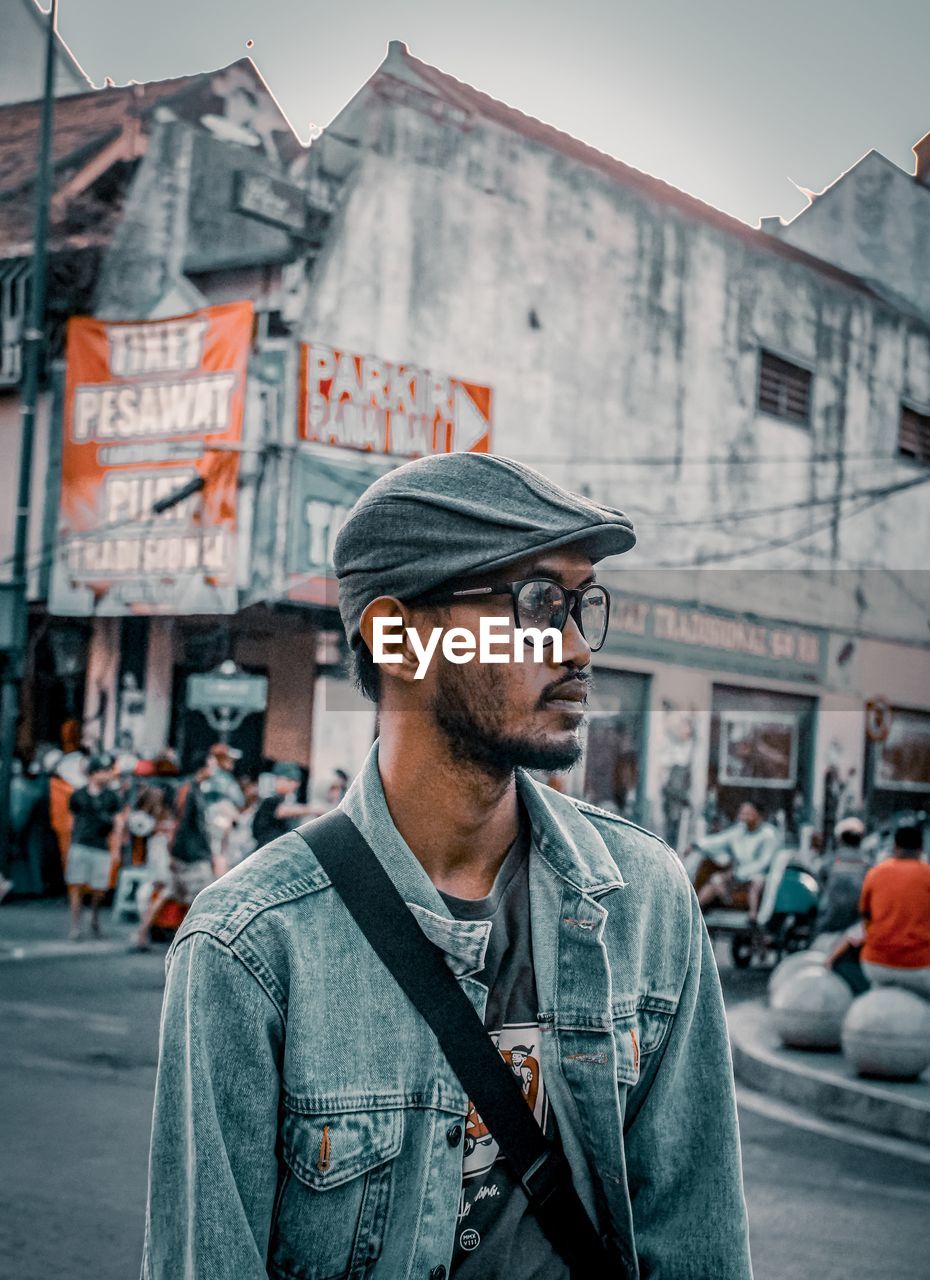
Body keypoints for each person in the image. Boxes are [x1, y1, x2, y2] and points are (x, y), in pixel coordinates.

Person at [143, 453, 752, 1279]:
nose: (576, 648)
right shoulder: (248, 948)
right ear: (397, 637)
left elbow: (697, 1248)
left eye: (583, 605)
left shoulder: (645, 901)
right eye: (539, 602)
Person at [829, 825, 930, 1000]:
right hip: (920, 967)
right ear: (921, 849)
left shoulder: (875, 873)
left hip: (876, 965)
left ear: (895, 848)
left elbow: (865, 916)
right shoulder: (927, 874)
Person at [133, 754, 216, 951]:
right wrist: (172, 852)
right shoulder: (186, 789)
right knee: (186, 893)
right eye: (211, 766)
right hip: (184, 853)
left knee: (178, 894)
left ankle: (152, 935)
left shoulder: (190, 788)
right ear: (202, 768)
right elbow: (180, 821)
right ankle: (146, 933)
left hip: (186, 851)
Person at [65, 752, 123, 940]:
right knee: (76, 885)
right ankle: (75, 926)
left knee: (99, 889)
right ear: (93, 773)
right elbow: (71, 820)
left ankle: (94, 920)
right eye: (103, 771)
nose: (107, 775)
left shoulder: (112, 797)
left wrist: (115, 848)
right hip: (80, 843)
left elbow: (118, 823)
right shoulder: (78, 795)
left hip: (101, 846)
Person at [694, 801, 779, 923]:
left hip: (760, 874)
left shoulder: (769, 835)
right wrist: (697, 845)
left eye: (748, 813)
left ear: (758, 815)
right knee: (715, 879)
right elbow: (719, 840)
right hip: (737, 873)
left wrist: (741, 873)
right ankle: (695, 911)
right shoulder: (738, 831)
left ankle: (753, 917)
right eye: (742, 813)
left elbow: (764, 862)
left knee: (756, 883)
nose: (743, 817)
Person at [816, 817, 870, 935]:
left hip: (829, 922)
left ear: (840, 839)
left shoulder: (829, 861)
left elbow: (820, 883)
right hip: (859, 925)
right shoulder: (868, 863)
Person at [250, 762, 319, 846]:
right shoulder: (269, 797)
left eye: (296, 781)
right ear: (278, 779)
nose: (294, 785)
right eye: (290, 780)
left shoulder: (284, 799)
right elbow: (283, 811)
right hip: (266, 848)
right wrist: (314, 810)